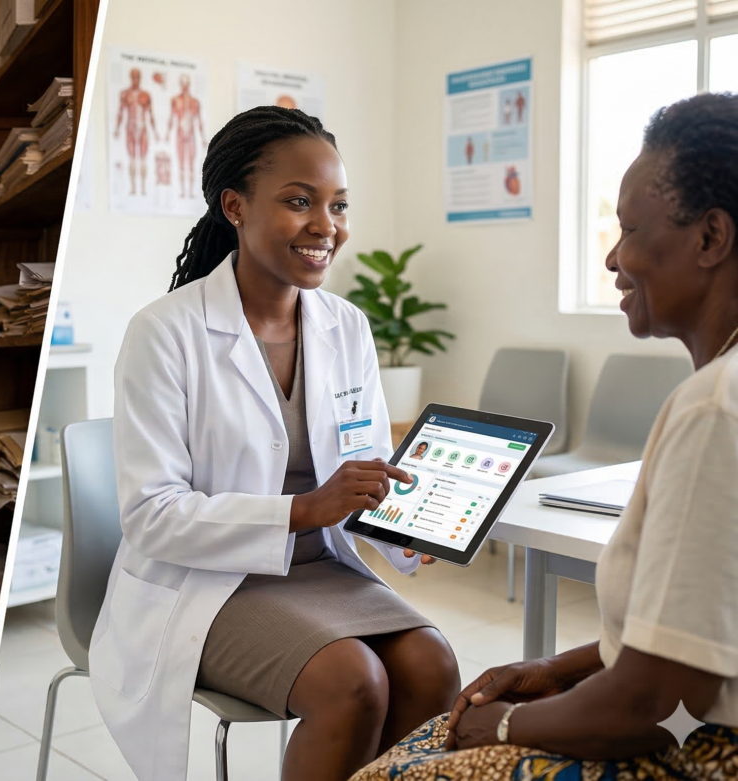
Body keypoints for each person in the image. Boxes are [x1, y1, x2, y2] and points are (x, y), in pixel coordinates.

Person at [355, 92, 738, 778]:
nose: (614, 260)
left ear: (710, 237)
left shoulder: (714, 408)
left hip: (701, 752)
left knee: (395, 769)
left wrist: (501, 724)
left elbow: (653, 701)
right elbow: (693, 636)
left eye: (629, 231)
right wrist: (554, 667)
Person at [90, 106, 460, 781]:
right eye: (299, 201)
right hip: (212, 581)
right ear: (234, 205)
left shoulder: (345, 326)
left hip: (325, 565)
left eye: (339, 205)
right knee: (355, 682)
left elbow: (366, 467)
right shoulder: (166, 333)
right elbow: (151, 515)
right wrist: (301, 511)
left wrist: (403, 526)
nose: (327, 226)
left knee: (433, 665)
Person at [114, 67, 157, 196]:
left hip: (143, 127)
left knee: (142, 158)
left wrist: (156, 132)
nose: (135, 79)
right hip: (130, 128)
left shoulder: (145, 95)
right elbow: (120, 112)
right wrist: (117, 128)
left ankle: (143, 187)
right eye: (133, 76)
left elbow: (151, 114)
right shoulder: (125, 94)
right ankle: (133, 187)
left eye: (137, 76)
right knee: (132, 158)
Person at [167, 73, 206, 199]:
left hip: (191, 135)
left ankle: (190, 191)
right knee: (181, 163)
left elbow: (199, 120)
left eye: (186, 83)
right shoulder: (175, 101)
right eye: (182, 83)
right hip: (180, 134)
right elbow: (171, 118)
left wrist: (203, 138)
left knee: (191, 164)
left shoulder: (195, 102)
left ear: (188, 85)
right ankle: (183, 191)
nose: (184, 86)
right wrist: (167, 134)